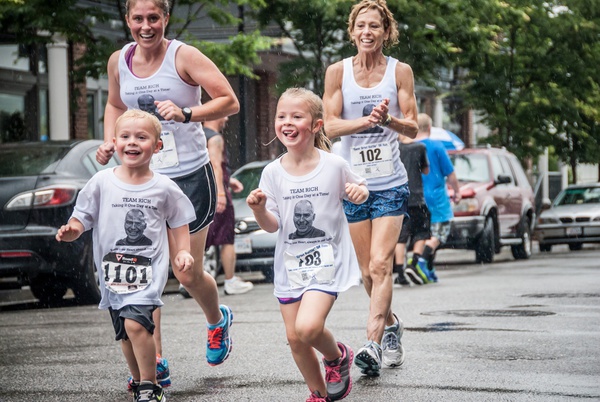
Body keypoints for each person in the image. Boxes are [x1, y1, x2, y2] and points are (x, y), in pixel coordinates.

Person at [95, 0, 240, 390]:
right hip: (143, 181)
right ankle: (154, 361)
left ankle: (216, 320)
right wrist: (112, 140)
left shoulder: (185, 56)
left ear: (165, 19)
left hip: (189, 177)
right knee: (146, 274)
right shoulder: (118, 61)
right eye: (138, 18)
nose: (146, 26)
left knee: (185, 270)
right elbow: (114, 104)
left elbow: (230, 100)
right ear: (127, 20)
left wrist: (187, 113)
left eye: (153, 18)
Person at [56, 110, 196, 402]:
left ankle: (149, 385)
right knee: (124, 333)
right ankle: (137, 379)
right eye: (126, 137)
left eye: (141, 137)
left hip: (147, 272)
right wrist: (74, 229)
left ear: (157, 146)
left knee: (136, 324)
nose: (132, 143)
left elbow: (179, 219)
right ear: (115, 142)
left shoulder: (163, 187)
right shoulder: (101, 181)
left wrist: (182, 250)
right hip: (112, 275)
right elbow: (83, 216)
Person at [246, 88, 369, 402]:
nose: (287, 122)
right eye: (282, 116)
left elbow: (361, 188)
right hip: (290, 265)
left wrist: (359, 194)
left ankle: (336, 356)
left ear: (316, 125)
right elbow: (273, 225)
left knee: (309, 327)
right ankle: (319, 394)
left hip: (327, 261)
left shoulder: (333, 165)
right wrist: (260, 209)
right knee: (295, 339)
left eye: (296, 116)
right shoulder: (272, 172)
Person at [322, 0, 419, 376]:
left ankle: (373, 345)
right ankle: (392, 325)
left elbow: (412, 128)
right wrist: (365, 121)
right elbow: (329, 127)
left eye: (374, 26)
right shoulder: (337, 72)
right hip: (352, 184)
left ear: (385, 32)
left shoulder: (400, 72)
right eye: (361, 26)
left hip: (390, 184)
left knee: (381, 264)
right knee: (366, 273)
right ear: (352, 31)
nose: (367, 32)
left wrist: (389, 120)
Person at [204, 116, 253, 295]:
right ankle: (230, 280)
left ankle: (190, 280)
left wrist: (229, 180)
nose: (225, 119)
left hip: (201, 194)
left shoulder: (196, 135)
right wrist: (221, 193)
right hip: (217, 194)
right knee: (226, 238)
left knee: (201, 238)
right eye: (224, 114)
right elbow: (216, 166)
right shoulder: (215, 137)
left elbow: (206, 167)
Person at [414, 113, 461, 282]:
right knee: (439, 235)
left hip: (415, 198)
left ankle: (429, 270)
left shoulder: (408, 146)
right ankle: (419, 261)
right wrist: (457, 191)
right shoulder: (436, 146)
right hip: (436, 197)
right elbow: (450, 174)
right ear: (429, 128)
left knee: (423, 234)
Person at [394, 134, 431, 286]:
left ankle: (400, 273)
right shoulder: (420, 147)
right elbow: (426, 171)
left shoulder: (395, 148)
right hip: (417, 198)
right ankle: (413, 263)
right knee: (422, 232)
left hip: (400, 198)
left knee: (401, 237)